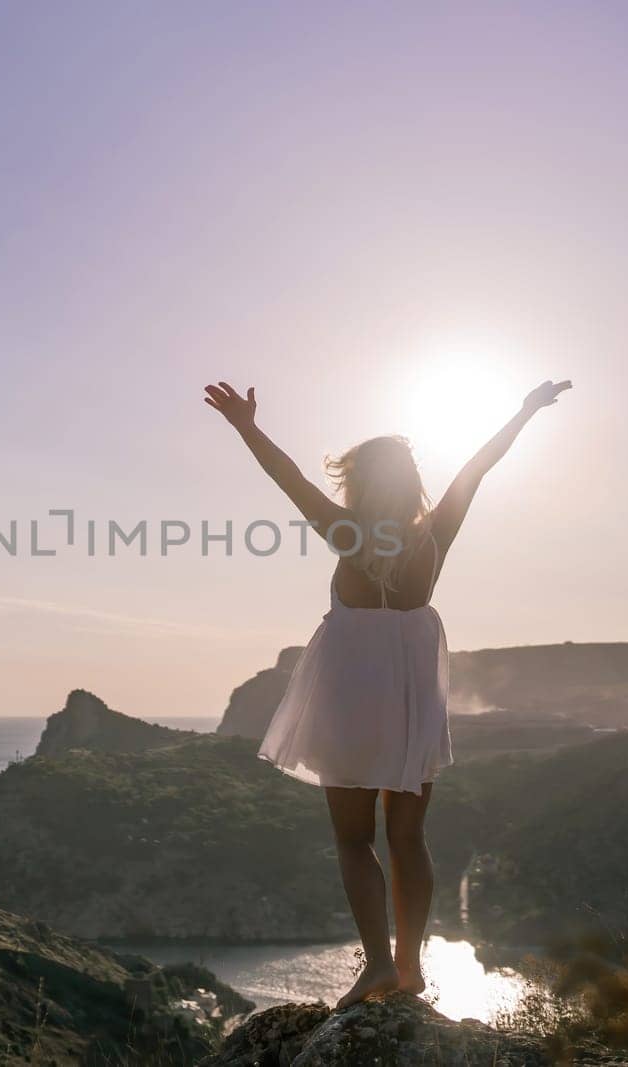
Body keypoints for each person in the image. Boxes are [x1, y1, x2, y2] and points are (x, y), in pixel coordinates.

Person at [202, 376, 571, 1008]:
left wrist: (246, 427)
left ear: (358, 482)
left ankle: (376, 963)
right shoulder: (435, 533)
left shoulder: (345, 531)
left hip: (348, 694)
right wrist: (524, 411)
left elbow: (286, 476)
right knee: (409, 837)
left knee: (354, 839)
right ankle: (409, 966)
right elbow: (480, 465)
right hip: (411, 698)